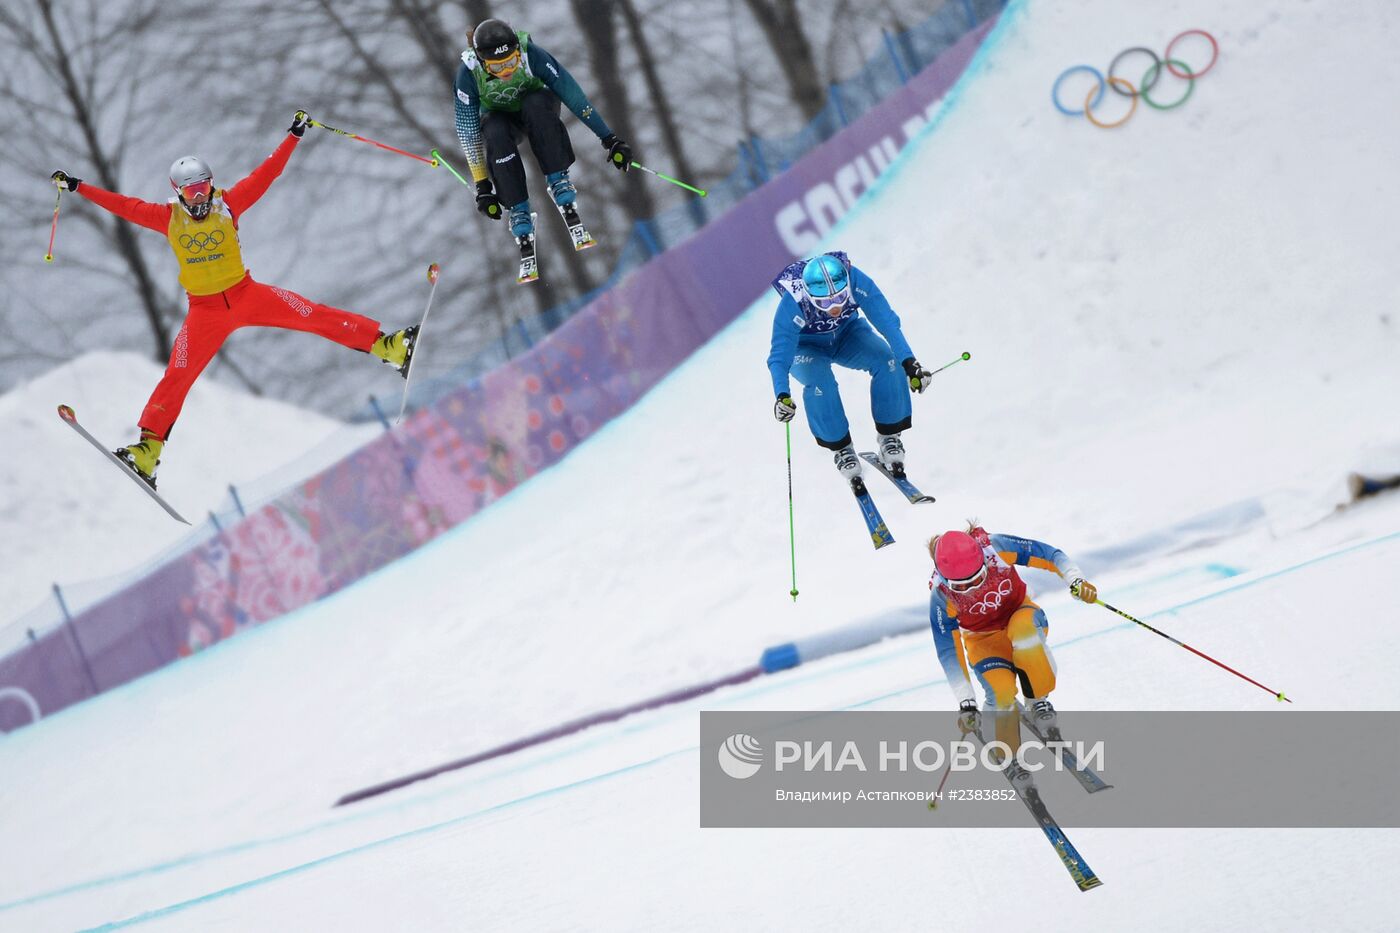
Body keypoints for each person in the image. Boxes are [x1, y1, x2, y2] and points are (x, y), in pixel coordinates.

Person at [50, 112, 415, 488]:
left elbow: (265, 175)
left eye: (205, 187)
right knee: (178, 374)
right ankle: (148, 452)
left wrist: (293, 136)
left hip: (246, 295)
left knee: (310, 314)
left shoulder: (228, 205)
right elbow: (123, 205)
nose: (201, 197)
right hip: (205, 312)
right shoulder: (167, 218)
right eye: (192, 191)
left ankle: (388, 346)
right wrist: (79, 187)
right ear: (178, 192)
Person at [927, 524, 1098, 784]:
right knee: (1002, 694)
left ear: (985, 562)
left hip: (1021, 616)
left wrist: (1076, 580)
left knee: (1025, 634)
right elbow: (948, 651)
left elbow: (1050, 554)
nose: (971, 589)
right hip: (983, 640)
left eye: (976, 579)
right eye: (960, 587)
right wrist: (967, 703)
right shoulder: (941, 594)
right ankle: (1007, 755)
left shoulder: (996, 548)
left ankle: (1037, 700)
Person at [455, 18, 632, 248]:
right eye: (497, 67)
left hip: (539, 113)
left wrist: (609, 139)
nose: (507, 71)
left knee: (535, 102)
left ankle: (559, 180)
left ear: (518, 51)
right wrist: (483, 186)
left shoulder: (532, 55)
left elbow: (574, 97)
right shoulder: (468, 74)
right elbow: (468, 134)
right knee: (494, 129)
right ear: (482, 61)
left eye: (511, 62)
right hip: (504, 124)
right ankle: (518, 209)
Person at [767, 251, 933, 484]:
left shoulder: (856, 280)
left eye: (840, 298)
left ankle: (889, 437)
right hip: (806, 349)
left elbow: (887, 322)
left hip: (848, 335)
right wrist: (782, 395)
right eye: (825, 303)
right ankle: (842, 449)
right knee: (821, 384)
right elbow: (779, 356)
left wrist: (910, 362)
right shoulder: (793, 302)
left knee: (889, 361)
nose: (834, 307)